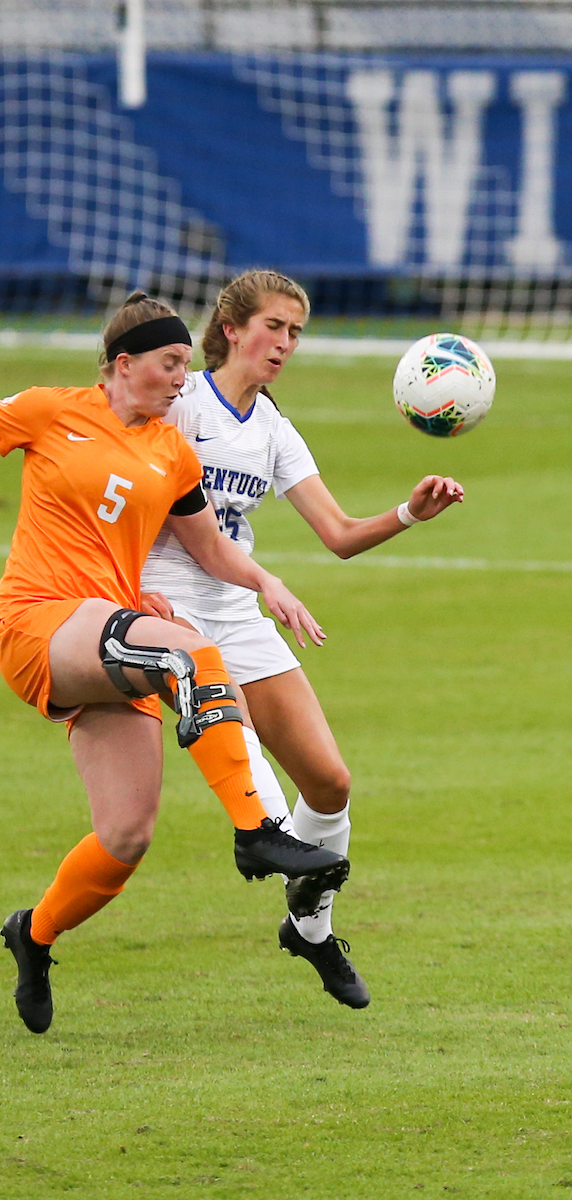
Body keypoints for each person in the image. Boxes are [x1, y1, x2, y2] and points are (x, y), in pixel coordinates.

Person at [0, 291, 351, 1036]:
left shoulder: (171, 449)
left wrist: (268, 581)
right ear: (124, 365)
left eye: (185, 367)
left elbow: (211, 549)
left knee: (125, 836)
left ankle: (32, 934)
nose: (180, 381)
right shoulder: (49, 409)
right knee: (193, 652)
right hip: (36, 621)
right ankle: (256, 827)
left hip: (106, 638)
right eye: (169, 365)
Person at [141, 270, 465, 1010]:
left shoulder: (273, 429)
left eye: (295, 332)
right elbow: (113, 491)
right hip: (165, 614)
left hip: (237, 605)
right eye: (274, 327)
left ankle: (310, 929)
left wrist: (410, 513)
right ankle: (264, 840)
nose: (284, 343)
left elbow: (340, 535)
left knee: (330, 784)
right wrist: (126, 591)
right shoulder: (181, 401)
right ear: (231, 328)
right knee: (267, 808)